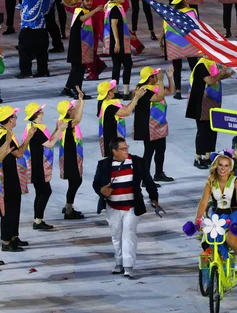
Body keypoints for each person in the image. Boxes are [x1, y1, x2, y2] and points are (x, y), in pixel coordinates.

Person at [93, 137, 159, 279]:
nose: (126, 151)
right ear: (114, 151)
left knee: (129, 234)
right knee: (116, 236)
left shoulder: (137, 162)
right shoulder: (104, 165)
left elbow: (148, 180)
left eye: (126, 148)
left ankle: (128, 266)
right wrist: (101, 190)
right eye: (123, 149)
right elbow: (96, 183)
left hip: (131, 207)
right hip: (112, 207)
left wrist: (154, 197)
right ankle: (119, 262)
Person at [194, 154, 237, 272]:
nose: (223, 169)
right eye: (221, 165)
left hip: (233, 214)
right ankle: (217, 269)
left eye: (226, 166)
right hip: (216, 216)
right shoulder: (210, 183)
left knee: (230, 239)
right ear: (216, 166)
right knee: (212, 240)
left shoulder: (236, 182)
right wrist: (198, 219)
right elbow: (203, 202)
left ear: (230, 168)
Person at [21, 103, 67, 230]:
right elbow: (50, 144)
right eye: (41, 111)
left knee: (41, 192)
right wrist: (60, 130)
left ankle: (38, 219)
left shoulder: (32, 127)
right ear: (36, 114)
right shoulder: (36, 130)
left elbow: (46, 140)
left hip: (35, 165)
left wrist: (57, 129)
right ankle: (38, 221)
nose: (43, 113)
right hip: (38, 166)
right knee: (45, 191)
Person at [186, 57, 234, 169]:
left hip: (212, 101)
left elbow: (217, 78)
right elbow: (210, 80)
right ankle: (198, 158)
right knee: (202, 130)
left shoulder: (211, 63)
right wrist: (222, 72)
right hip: (201, 102)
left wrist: (229, 72)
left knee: (212, 129)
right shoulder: (201, 65)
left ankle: (207, 158)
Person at [0, 106, 36, 252]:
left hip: (11, 175)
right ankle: (7, 240)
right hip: (5, 178)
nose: (16, 118)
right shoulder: (3, 136)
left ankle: (14, 236)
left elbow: (17, 153)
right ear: (9, 119)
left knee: (15, 206)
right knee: (9, 209)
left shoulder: (7, 133)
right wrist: (26, 138)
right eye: (14, 116)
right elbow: (14, 154)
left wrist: (27, 138)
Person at [4, 0, 50, 79]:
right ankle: (43, 71)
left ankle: (25, 71)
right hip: (40, 27)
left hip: (29, 27)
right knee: (41, 51)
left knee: (24, 49)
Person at [133, 66, 175, 183]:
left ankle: (159, 173)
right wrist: (161, 81)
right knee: (149, 152)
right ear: (150, 78)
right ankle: (146, 179)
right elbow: (159, 97)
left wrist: (169, 77)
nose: (157, 76)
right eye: (155, 75)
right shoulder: (144, 90)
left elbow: (171, 91)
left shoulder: (154, 87)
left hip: (160, 123)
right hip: (148, 126)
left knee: (161, 149)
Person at [159, 0, 200, 100]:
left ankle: (178, 92)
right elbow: (198, 26)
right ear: (184, 0)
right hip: (190, 42)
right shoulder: (192, 11)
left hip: (174, 44)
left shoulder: (169, 13)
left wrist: (161, 41)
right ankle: (196, 88)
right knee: (194, 65)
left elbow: (164, 29)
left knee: (177, 67)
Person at [61, 0, 102, 98]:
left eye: (91, 1)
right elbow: (82, 19)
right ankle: (78, 92)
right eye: (87, 1)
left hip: (80, 45)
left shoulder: (84, 10)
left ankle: (67, 88)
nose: (90, 3)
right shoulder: (80, 11)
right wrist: (95, 10)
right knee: (78, 70)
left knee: (76, 68)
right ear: (82, 1)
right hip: (78, 46)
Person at [57, 91, 86, 219]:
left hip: (69, 155)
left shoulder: (63, 120)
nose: (74, 109)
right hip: (70, 157)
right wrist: (83, 104)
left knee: (73, 182)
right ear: (68, 112)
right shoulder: (67, 124)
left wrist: (80, 100)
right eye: (71, 108)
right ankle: (69, 210)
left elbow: (76, 114)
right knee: (76, 181)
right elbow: (78, 118)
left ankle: (68, 206)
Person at [97, 80, 144, 158]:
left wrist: (135, 96)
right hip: (112, 140)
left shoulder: (106, 102)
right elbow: (126, 112)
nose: (114, 90)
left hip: (113, 138)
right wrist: (136, 97)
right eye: (112, 89)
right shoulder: (109, 107)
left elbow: (126, 108)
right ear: (109, 93)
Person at [103, 0, 135, 99]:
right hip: (118, 42)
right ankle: (126, 93)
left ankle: (115, 91)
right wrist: (117, 42)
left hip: (113, 41)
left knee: (116, 66)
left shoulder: (111, 7)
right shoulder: (115, 9)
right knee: (127, 64)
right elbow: (113, 25)